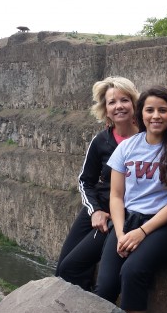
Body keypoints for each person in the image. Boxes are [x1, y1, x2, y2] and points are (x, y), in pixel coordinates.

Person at [94, 86, 167, 313]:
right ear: (140, 114)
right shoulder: (127, 147)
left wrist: (141, 232)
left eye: (162, 110)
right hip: (127, 220)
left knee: (133, 273)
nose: (156, 116)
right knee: (106, 285)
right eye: (150, 110)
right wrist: (121, 233)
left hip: (161, 224)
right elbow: (117, 196)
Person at [55, 76, 140, 291]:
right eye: (112, 102)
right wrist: (94, 211)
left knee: (72, 267)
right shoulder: (102, 140)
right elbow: (85, 181)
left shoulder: (147, 137)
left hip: (121, 212)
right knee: (62, 269)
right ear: (105, 109)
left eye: (124, 100)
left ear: (133, 102)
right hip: (98, 206)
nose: (119, 106)